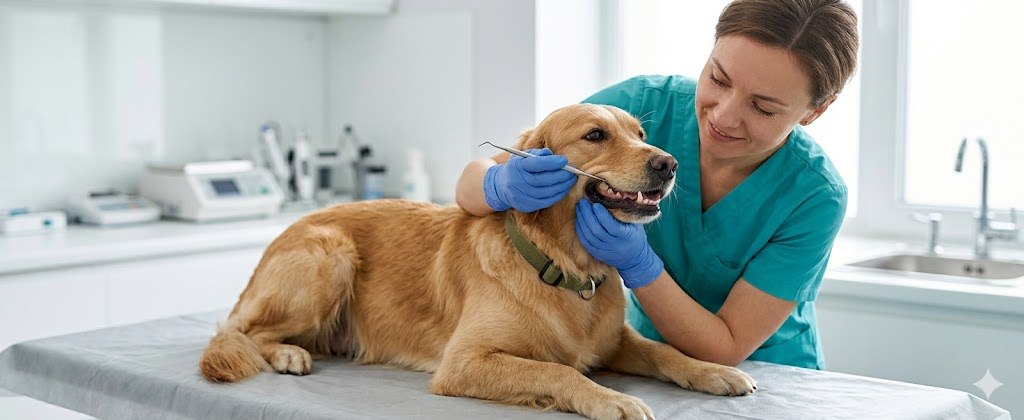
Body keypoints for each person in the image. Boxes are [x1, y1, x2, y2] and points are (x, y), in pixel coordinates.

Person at [455, 0, 858, 370]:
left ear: (814, 111)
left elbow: (726, 347)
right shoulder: (641, 104)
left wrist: (639, 266)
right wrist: (498, 183)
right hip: (648, 362)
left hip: (771, 374)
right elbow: (470, 184)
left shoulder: (814, 195)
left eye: (762, 107)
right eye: (718, 79)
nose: (724, 115)